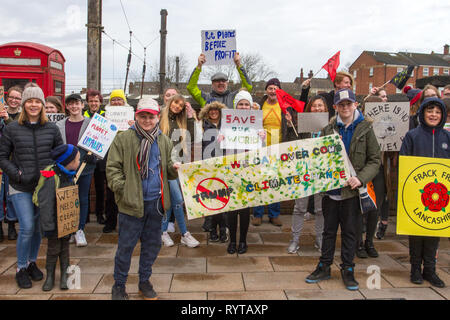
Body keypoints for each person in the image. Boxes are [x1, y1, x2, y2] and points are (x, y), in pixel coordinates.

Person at [305, 88, 380, 291]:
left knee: (350, 233)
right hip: (331, 191)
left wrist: (360, 179)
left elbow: (375, 160)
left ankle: (348, 269)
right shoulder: (328, 130)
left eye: (349, 104)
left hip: (352, 192)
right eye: (341, 104)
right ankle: (324, 266)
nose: (345, 108)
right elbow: (318, 158)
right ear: (336, 107)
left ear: (355, 105)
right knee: (328, 232)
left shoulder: (365, 128)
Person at [106, 97, 179, 300]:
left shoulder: (163, 140)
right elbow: (112, 169)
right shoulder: (123, 139)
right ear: (136, 116)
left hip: (156, 203)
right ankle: (119, 285)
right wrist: (123, 190)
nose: (147, 120)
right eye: (143, 116)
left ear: (157, 118)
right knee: (126, 247)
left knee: (152, 245)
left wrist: (174, 169)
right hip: (131, 205)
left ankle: (144, 281)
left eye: (151, 116)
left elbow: (169, 171)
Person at [0, 83, 63, 289]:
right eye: (30, 101)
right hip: (20, 187)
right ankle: (20, 267)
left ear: (43, 105)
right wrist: (16, 173)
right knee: (26, 227)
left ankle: (31, 262)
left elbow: (59, 155)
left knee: (37, 228)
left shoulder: (52, 128)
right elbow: (2, 157)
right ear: (24, 104)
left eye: (37, 101)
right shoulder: (12, 128)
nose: (33, 105)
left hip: (43, 187)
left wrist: (56, 170)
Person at [399, 97, 448, 288]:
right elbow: (404, 161)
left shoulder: (447, 137)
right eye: (430, 111)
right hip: (415, 193)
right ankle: (415, 270)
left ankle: (430, 269)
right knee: (416, 234)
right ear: (423, 113)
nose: (433, 115)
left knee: (433, 233)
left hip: (440, 196)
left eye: (437, 112)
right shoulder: (412, 136)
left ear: (442, 115)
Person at [220, 91, 266, 254]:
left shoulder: (256, 124)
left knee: (245, 209)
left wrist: (262, 136)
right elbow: (221, 144)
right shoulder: (227, 123)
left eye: (246, 104)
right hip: (232, 170)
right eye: (241, 104)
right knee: (232, 209)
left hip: (249, 169)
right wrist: (220, 138)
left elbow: (262, 148)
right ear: (236, 106)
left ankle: (243, 241)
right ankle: (232, 241)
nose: (244, 107)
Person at [33, 144, 80, 291]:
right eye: (78, 160)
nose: (79, 162)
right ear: (69, 162)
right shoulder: (51, 177)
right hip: (53, 223)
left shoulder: (69, 175)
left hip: (65, 222)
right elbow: (46, 204)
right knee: (53, 250)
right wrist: (48, 226)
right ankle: (50, 276)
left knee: (65, 249)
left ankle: (65, 276)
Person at [252, 78, 298, 227]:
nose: (272, 91)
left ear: (279, 91)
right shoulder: (259, 105)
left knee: (275, 183)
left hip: (278, 149)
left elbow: (292, 129)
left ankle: (274, 214)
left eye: (275, 88)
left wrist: (290, 123)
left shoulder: (285, 106)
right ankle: (257, 214)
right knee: (259, 181)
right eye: (270, 88)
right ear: (266, 90)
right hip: (261, 149)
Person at [286, 95, 327, 254]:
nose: (317, 108)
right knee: (299, 208)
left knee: (320, 209)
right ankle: (295, 240)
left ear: (325, 108)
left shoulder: (330, 126)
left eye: (320, 106)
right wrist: (290, 126)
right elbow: (292, 144)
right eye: (314, 106)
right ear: (309, 108)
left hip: (322, 173)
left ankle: (320, 239)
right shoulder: (303, 126)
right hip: (303, 172)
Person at [159, 94, 200, 248]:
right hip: (164, 166)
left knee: (171, 201)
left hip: (178, 167)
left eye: (181, 105)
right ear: (170, 102)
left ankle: (163, 232)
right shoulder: (160, 119)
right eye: (176, 102)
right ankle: (184, 234)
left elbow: (191, 138)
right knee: (177, 200)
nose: (177, 106)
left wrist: (190, 117)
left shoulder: (180, 121)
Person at [56, 94, 96, 247]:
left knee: (82, 198)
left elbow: (101, 144)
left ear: (82, 105)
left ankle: (79, 229)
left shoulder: (91, 123)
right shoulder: (59, 125)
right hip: (64, 168)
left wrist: (95, 158)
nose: (74, 107)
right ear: (67, 106)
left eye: (77, 103)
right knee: (67, 198)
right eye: (71, 104)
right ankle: (70, 229)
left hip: (85, 167)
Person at [197, 101, 228, 243]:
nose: (214, 112)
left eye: (216, 109)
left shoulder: (227, 124)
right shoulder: (202, 125)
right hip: (208, 165)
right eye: (211, 110)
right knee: (213, 199)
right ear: (207, 112)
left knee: (224, 199)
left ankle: (223, 228)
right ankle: (213, 229)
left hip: (225, 165)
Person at [102, 89, 130, 233]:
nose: (116, 102)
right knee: (111, 189)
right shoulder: (104, 116)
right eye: (113, 100)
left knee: (127, 189)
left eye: (119, 99)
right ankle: (111, 221)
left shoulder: (131, 117)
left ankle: (126, 222)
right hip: (110, 157)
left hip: (127, 157)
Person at [187, 52, 253, 109]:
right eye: (217, 81)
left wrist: (239, 65)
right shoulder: (205, 97)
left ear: (227, 83)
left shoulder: (235, 97)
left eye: (223, 81)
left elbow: (248, 87)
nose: (221, 83)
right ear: (212, 83)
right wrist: (199, 66)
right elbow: (191, 87)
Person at [84, 89, 107, 225]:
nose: (93, 103)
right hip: (85, 156)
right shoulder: (83, 115)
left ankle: (100, 214)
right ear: (87, 102)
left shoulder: (106, 115)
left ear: (100, 102)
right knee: (85, 188)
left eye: (96, 101)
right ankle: (85, 215)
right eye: (91, 101)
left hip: (100, 157)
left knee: (100, 187)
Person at [0, 88, 18, 242]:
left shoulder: (21, 116)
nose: (14, 100)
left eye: (17, 98)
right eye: (11, 97)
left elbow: (19, 134)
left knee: (11, 195)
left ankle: (12, 224)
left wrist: (6, 119)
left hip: (13, 161)